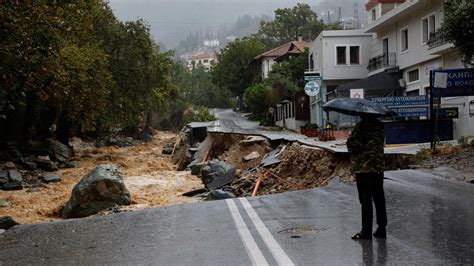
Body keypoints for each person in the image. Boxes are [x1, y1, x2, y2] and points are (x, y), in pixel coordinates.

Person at [346, 113, 387, 240]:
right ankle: (381, 228)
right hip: (377, 167)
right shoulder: (380, 126)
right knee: (379, 198)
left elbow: (354, 145)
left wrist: (350, 139)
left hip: (364, 168)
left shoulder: (362, 126)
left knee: (366, 200)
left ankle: (366, 231)